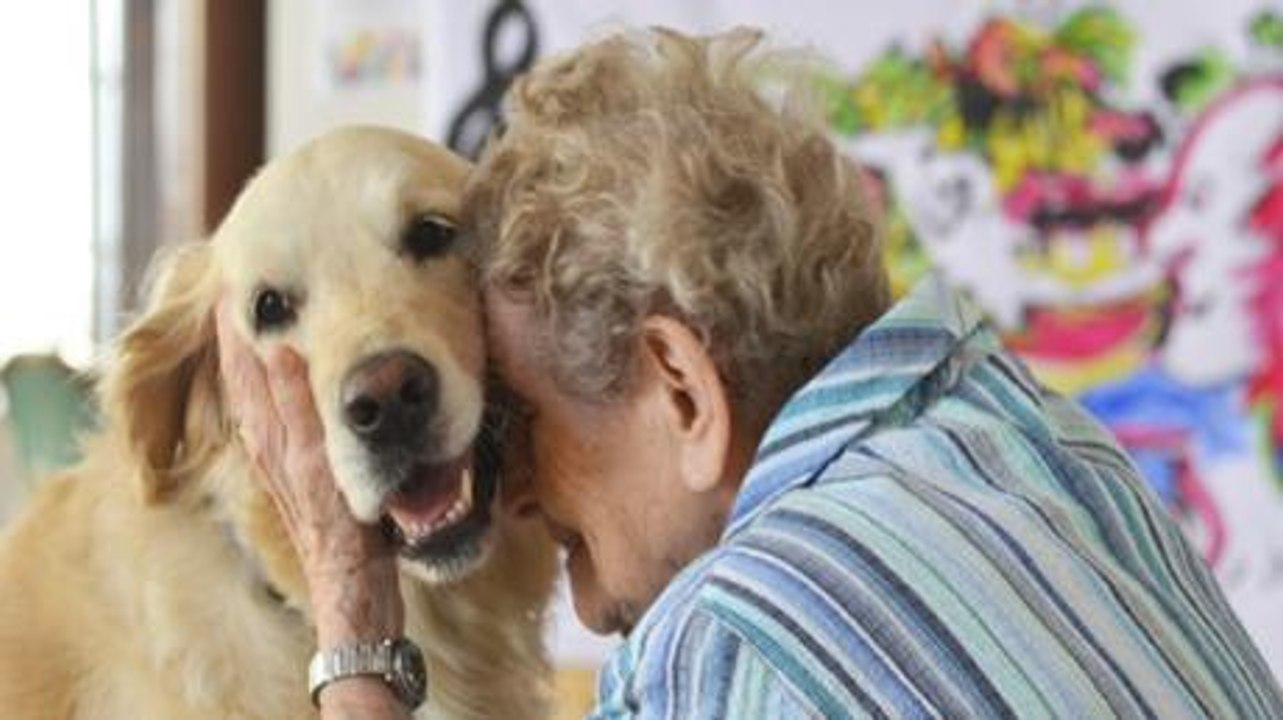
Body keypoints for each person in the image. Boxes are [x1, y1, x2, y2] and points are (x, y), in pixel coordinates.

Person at [217, 26, 1283, 719]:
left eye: (528, 422)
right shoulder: (1047, 450)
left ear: (682, 390)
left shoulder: (727, 644)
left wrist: (356, 639)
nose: (519, 496)